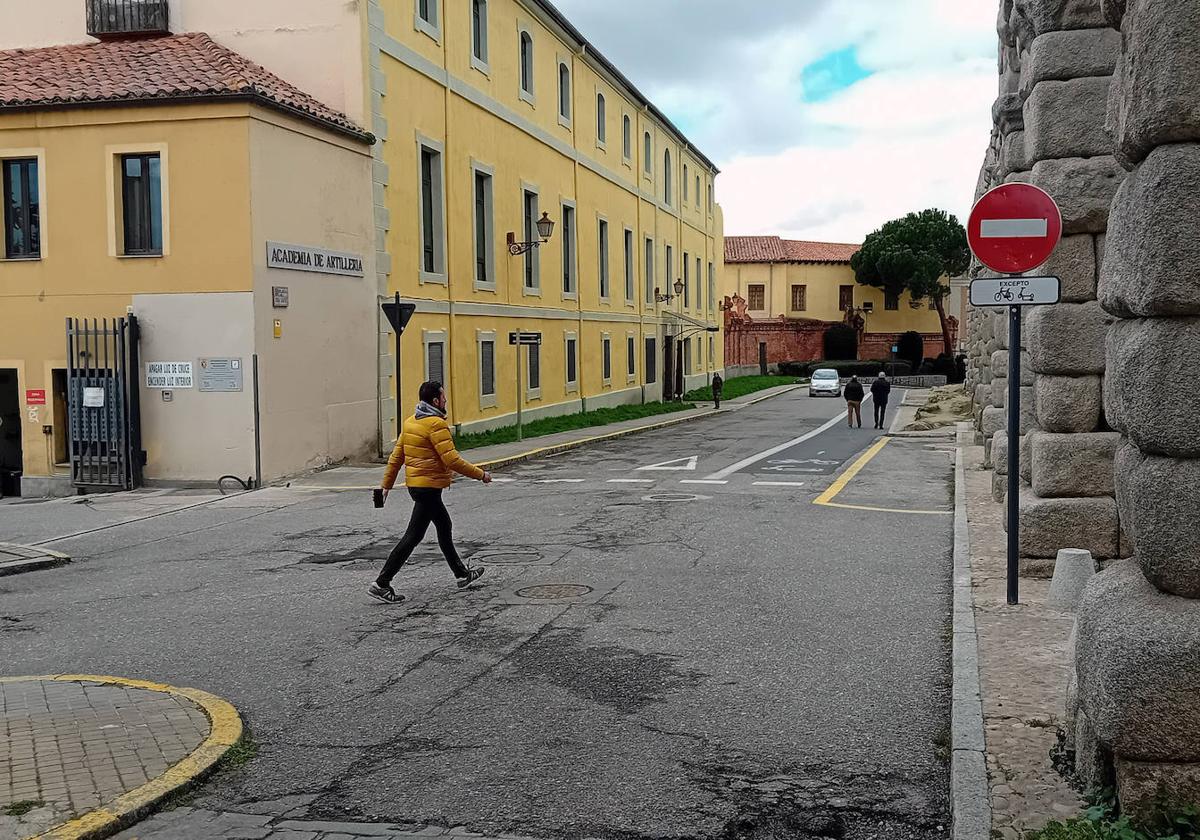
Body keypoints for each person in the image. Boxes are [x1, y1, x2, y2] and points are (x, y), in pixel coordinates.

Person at [370, 380, 492, 604]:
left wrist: (386, 485)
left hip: (418, 487)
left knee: (443, 526)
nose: (446, 401)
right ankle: (382, 583)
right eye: (443, 397)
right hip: (428, 487)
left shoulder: (410, 423)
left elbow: (397, 457)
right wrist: (480, 474)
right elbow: (452, 459)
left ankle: (461, 574)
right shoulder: (436, 425)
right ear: (435, 401)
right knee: (413, 536)